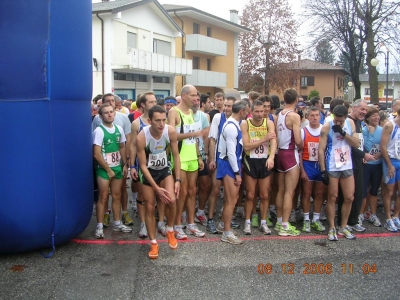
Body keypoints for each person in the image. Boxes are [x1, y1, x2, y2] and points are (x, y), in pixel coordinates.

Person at [136, 105, 180, 259]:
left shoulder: (170, 131)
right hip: (148, 174)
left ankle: (169, 230)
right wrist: (156, 188)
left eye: (163, 120)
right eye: (157, 121)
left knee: (172, 200)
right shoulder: (142, 137)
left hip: (164, 170)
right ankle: (154, 243)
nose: (161, 124)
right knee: (149, 207)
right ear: (149, 121)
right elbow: (142, 166)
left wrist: (178, 180)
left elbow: (176, 155)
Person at [168, 85, 205, 239]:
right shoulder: (173, 112)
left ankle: (190, 223)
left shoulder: (191, 112)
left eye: (196, 95)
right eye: (192, 95)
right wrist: (194, 133)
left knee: (192, 191)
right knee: (181, 193)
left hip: (192, 157)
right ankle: (177, 225)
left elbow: (195, 138)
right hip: (180, 157)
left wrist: (199, 156)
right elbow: (171, 136)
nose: (195, 98)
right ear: (183, 96)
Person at [318, 105, 360, 241]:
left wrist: (343, 132)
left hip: (346, 164)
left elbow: (357, 144)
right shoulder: (327, 126)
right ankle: (332, 227)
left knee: (349, 197)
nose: (338, 123)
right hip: (332, 165)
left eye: (340, 121)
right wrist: (323, 170)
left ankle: (343, 226)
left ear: (345, 118)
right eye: (336, 120)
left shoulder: (350, 123)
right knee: (333, 197)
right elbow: (320, 149)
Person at [92, 93, 133, 227]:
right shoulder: (98, 129)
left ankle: (118, 221)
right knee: (103, 196)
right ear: (101, 115)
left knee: (117, 194)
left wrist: (126, 164)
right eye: (106, 112)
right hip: (104, 168)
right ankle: (100, 225)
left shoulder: (120, 126)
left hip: (117, 166)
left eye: (111, 112)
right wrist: (108, 169)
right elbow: (96, 153)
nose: (110, 114)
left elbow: (123, 145)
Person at [337, 100, 374, 232]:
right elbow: (350, 145)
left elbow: (359, 143)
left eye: (365, 110)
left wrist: (363, 154)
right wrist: (364, 155)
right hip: (349, 162)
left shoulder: (359, 123)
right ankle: (345, 222)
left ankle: (352, 220)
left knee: (358, 193)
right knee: (348, 195)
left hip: (357, 162)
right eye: (362, 109)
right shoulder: (349, 122)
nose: (364, 112)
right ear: (354, 108)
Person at [241, 100, 276, 235]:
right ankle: (248, 222)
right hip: (251, 160)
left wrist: (272, 157)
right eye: (257, 111)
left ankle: (263, 222)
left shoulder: (269, 123)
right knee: (250, 194)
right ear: (251, 111)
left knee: (264, 194)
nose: (260, 114)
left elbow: (273, 141)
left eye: (262, 111)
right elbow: (247, 146)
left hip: (264, 160)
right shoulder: (246, 124)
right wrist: (263, 139)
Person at [217, 100, 250, 244]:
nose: (248, 113)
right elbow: (230, 152)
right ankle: (226, 233)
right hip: (229, 164)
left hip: (232, 163)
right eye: (247, 110)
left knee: (230, 199)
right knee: (231, 200)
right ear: (242, 111)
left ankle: (223, 225)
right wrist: (237, 172)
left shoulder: (234, 124)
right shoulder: (231, 127)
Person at [130, 92, 158, 238]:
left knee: (157, 194)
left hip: (159, 163)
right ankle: (143, 223)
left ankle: (158, 222)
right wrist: (132, 166)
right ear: (143, 105)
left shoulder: (160, 120)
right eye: (151, 102)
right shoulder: (137, 123)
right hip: (143, 164)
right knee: (142, 195)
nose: (154, 104)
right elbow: (133, 145)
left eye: (155, 101)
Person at [207, 97, 237, 233]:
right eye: (225, 105)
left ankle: (225, 219)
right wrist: (212, 159)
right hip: (220, 158)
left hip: (232, 160)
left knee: (229, 193)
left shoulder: (238, 120)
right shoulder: (218, 118)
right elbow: (212, 139)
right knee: (215, 189)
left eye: (229, 106)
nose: (226, 108)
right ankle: (210, 219)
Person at [275, 89, 303, 236]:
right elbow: (298, 140)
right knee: (289, 192)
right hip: (290, 153)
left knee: (280, 190)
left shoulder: (279, 114)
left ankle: (279, 221)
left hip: (280, 153)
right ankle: (285, 225)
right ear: (296, 100)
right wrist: (302, 147)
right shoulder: (294, 116)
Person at [299, 106, 325, 232]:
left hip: (321, 165)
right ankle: (306, 219)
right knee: (307, 193)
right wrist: (302, 170)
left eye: (317, 115)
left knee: (319, 193)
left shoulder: (324, 130)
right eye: (312, 115)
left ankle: (316, 218)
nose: (315, 118)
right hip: (308, 164)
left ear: (320, 117)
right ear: (307, 117)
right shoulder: (303, 131)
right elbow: (299, 152)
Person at [360, 107, 382, 227]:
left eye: (377, 115)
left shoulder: (383, 130)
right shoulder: (364, 131)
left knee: (374, 191)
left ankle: (373, 214)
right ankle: (360, 214)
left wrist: (380, 154)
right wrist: (371, 133)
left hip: (377, 165)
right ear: (367, 118)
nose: (376, 118)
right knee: (363, 191)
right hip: (366, 165)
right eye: (373, 115)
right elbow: (366, 148)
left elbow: (385, 145)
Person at [380, 103, 400, 232]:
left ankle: (396, 216)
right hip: (391, 160)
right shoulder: (389, 125)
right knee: (389, 191)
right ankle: (388, 218)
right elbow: (383, 146)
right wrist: (389, 165)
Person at [192, 93, 211, 227]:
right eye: (194, 100)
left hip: (202, 155)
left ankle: (200, 211)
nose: (196, 102)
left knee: (205, 185)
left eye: (198, 100)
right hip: (188, 156)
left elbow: (206, 135)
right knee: (190, 188)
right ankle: (186, 213)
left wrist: (207, 153)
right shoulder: (182, 114)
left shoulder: (203, 116)